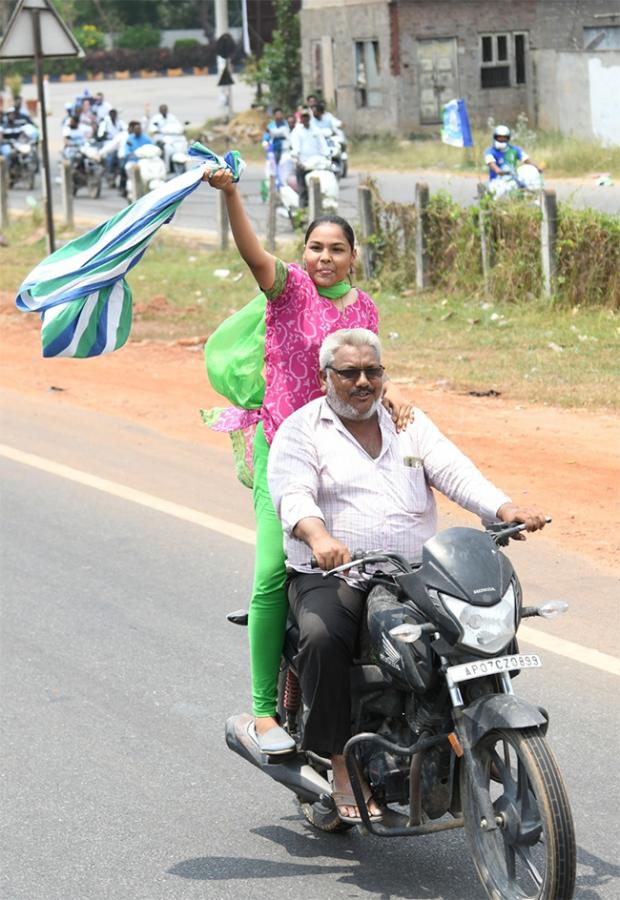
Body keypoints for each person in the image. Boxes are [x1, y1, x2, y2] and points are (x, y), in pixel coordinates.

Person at [267, 327, 548, 821]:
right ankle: (338, 765)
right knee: (322, 635)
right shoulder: (301, 429)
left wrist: (504, 508)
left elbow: (455, 470)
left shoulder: (407, 423)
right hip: (339, 573)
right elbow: (293, 494)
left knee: (478, 614)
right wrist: (318, 536)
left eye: (373, 372)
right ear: (324, 377)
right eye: (349, 372)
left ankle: (479, 722)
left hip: (412, 569)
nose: (362, 382)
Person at [203, 168, 413, 755]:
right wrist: (230, 196)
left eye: (337, 249)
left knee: (385, 564)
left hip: (345, 451)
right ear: (303, 255)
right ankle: (264, 711)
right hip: (285, 449)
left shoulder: (363, 305)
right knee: (274, 570)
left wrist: (391, 392)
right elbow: (251, 252)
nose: (325, 257)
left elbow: (366, 369)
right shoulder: (288, 288)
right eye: (316, 248)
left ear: (353, 257)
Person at [289, 108, 330, 208]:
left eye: (307, 117)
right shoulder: (297, 131)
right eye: (303, 117)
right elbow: (295, 146)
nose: (305, 119)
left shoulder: (316, 130)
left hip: (317, 162)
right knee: (302, 189)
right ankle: (302, 209)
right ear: (300, 119)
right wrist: (297, 159)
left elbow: (323, 145)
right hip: (303, 163)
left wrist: (327, 156)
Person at [118, 120, 152, 197]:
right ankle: (129, 187)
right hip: (133, 161)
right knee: (127, 167)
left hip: (145, 161)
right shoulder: (129, 139)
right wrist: (131, 154)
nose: (137, 131)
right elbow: (127, 151)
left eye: (139, 130)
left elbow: (152, 147)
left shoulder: (146, 139)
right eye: (136, 130)